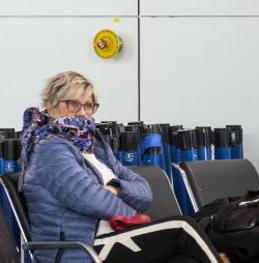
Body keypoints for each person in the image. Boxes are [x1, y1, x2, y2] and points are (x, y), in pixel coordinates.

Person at [20, 71, 221, 263]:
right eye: (73, 104)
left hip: (112, 238)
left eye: (89, 106)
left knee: (186, 259)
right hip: (82, 250)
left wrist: (116, 187)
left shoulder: (94, 147)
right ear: (50, 105)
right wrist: (132, 215)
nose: (82, 113)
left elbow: (144, 192)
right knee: (182, 228)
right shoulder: (49, 148)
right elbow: (92, 200)